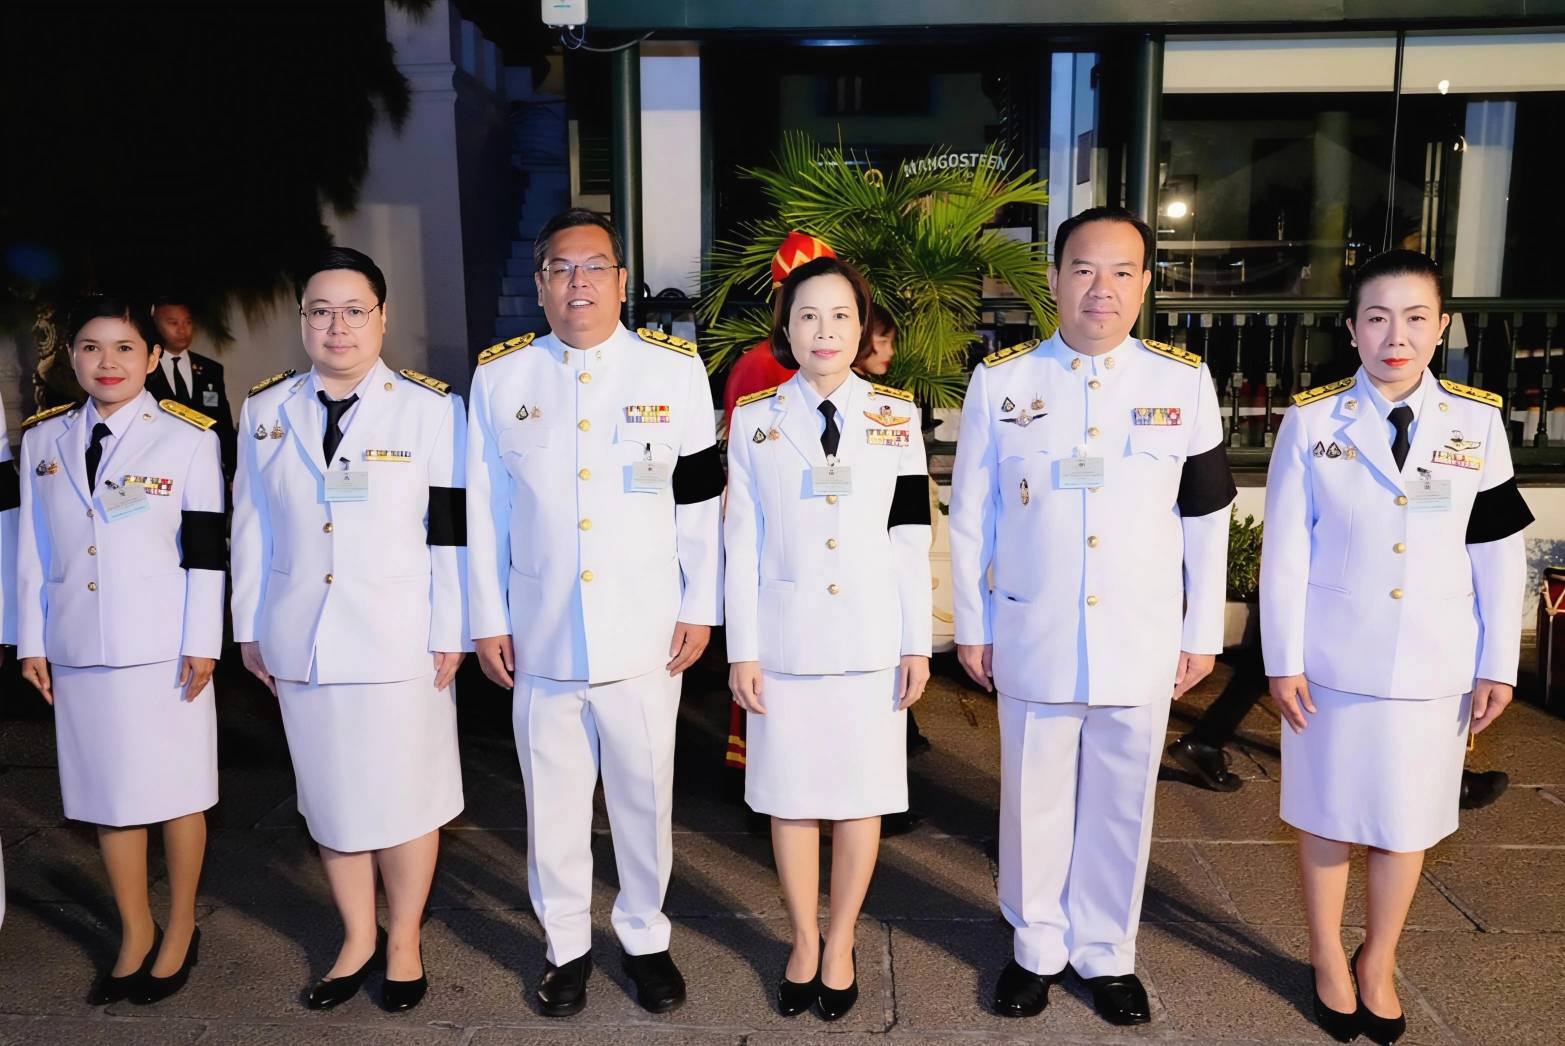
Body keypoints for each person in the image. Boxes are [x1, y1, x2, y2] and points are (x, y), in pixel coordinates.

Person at [949, 206, 1235, 1025]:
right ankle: (1035, 948)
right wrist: (973, 624)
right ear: (1052, 278)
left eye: (1120, 272)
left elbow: (1205, 517)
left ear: (1144, 283)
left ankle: (1107, 952)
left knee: (1121, 802)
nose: (1099, 289)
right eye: (1082, 269)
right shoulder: (1001, 383)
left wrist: (1199, 631)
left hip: (1139, 635)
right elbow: (972, 515)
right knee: (1032, 799)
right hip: (1033, 628)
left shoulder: (1181, 384)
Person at [1261, 249, 1531, 1045]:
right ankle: (1325, 958)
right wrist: (1281, 659)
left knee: (1407, 822)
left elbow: (1497, 551)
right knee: (1325, 816)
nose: (1395, 335)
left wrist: (1496, 663)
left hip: (1433, 662)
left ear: (1440, 325)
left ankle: (1377, 958)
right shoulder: (1311, 422)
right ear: (1350, 329)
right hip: (1330, 663)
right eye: (1376, 318)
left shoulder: (1476, 423)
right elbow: (1285, 550)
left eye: (1414, 317)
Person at [466, 208, 723, 1017]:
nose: (579, 282)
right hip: (539, 630)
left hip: (645, 629)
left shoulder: (673, 372)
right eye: (561, 268)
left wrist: (700, 604)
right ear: (540, 286)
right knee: (553, 801)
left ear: (621, 282)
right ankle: (566, 945)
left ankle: (645, 937)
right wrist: (486, 616)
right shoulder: (501, 378)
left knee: (646, 795)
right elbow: (483, 508)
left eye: (595, 266)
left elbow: (698, 503)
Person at [231, 247, 468, 1014]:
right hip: (301, 633)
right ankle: (356, 936)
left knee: (405, 794)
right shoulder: (266, 409)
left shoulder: (432, 409)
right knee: (330, 797)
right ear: (302, 320)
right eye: (320, 311)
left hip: (401, 634)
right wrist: (248, 626)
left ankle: (402, 939)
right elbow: (250, 528)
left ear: (382, 318)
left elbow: (452, 531)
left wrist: (454, 628)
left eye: (353, 310)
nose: (337, 326)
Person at [726, 256, 932, 1021]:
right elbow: (740, 542)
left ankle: (841, 938)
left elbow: (910, 532)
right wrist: (741, 648)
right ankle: (802, 939)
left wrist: (916, 642)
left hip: (871, 638)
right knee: (789, 800)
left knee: (859, 799)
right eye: (808, 315)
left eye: (840, 315)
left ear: (862, 325)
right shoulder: (754, 421)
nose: (824, 330)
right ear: (785, 326)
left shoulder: (896, 417)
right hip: (784, 639)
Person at [16, 295, 225, 1004]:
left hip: (166, 649)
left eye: (124, 348)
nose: (107, 363)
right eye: (92, 348)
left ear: (153, 357)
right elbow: (28, 550)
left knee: (178, 792)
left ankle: (181, 927)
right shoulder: (43, 441)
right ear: (70, 357)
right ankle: (135, 929)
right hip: (78, 643)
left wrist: (204, 640)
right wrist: (30, 639)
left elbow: (205, 552)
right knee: (109, 795)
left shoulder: (188, 437)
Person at [148, 301, 237, 484]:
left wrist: (233, 473)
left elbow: (223, 423)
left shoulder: (210, 369)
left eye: (187, 322)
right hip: (161, 470)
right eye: (173, 323)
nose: (182, 330)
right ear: (155, 325)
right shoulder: (145, 369)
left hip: (206, 470)